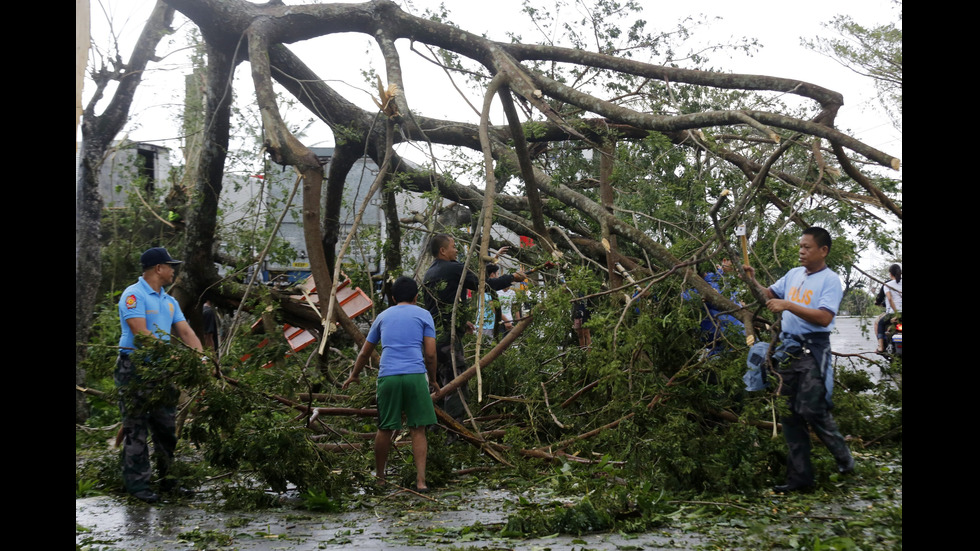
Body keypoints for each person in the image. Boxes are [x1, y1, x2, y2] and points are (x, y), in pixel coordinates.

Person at [743, 227, 855, 493]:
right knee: (789, 415)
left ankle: (844, 458)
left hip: (813, 349)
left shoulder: (830, 280)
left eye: (807, 247)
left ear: (823, 250)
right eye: (800, 247)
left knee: (812, 408)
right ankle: (800, 479)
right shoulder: (793, 275)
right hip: (788, 349)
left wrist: (789, 305)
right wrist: (752, 281)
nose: (801, 251)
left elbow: (824, 317)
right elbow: (768, 295)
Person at [116, 247, 204, 503]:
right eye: (170, 265)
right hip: (135, 368)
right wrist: (171, 355)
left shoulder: (169, 300)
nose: (173, 270)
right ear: (158, 268)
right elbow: (140, 332)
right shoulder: (133, 295)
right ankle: (138, 486)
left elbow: (186, 332)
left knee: (166, 428)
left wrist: (201, 359)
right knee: (136, 429)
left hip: (161, 371)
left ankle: (169, 481)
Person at [342, 276, 439, 492]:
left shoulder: (382, 316)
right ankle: (421, 481)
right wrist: (432, 380)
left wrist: (354, 375)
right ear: (416, 296)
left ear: (393, 297)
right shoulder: (424, 315)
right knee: (418, 429)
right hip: (415, 375)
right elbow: (431, 355)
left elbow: (366, 351)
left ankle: (381, 478)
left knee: (385, 428)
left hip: (388, 376)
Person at [422, 234, 526, 422]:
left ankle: (434, 427)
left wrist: (462, 323)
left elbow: (441, 307)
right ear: (443, 251)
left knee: (436, 383)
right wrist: (512, 277)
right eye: (453, 246)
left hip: (432, 338)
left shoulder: (429, 273)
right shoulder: (453, 269)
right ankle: (454, 431)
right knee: (455, 382)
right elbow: (485, 285)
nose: (456, 250)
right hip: (448, 338)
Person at [876, 264, 903, 354]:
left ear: (890, 274)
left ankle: (881, 346)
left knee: (880, 323)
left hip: (893, 313)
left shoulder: (887, 284)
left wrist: (896, 313)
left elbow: (890, 299)